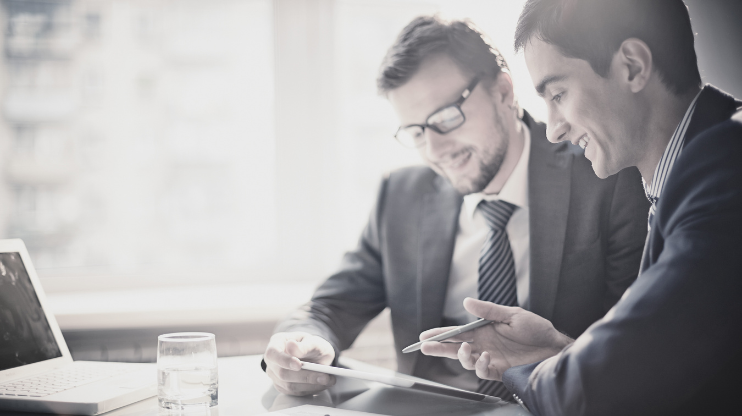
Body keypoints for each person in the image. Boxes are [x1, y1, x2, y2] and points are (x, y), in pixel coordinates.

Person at [262, 15, 649, 400]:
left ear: (503, 91)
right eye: (416, 132)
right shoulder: (401, 196)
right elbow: (330, 306)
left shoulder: (604, 176)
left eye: (446, 118)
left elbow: (634, 352)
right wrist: (300, 341)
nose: (435, 150)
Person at [419, 1, 742, 414]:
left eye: (558, 94)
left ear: (632, 66)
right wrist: (560, 351)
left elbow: (590, 389)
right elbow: (657, 372)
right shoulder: (693, 170)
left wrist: (536, 368)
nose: (553, 130)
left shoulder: (724, 170)